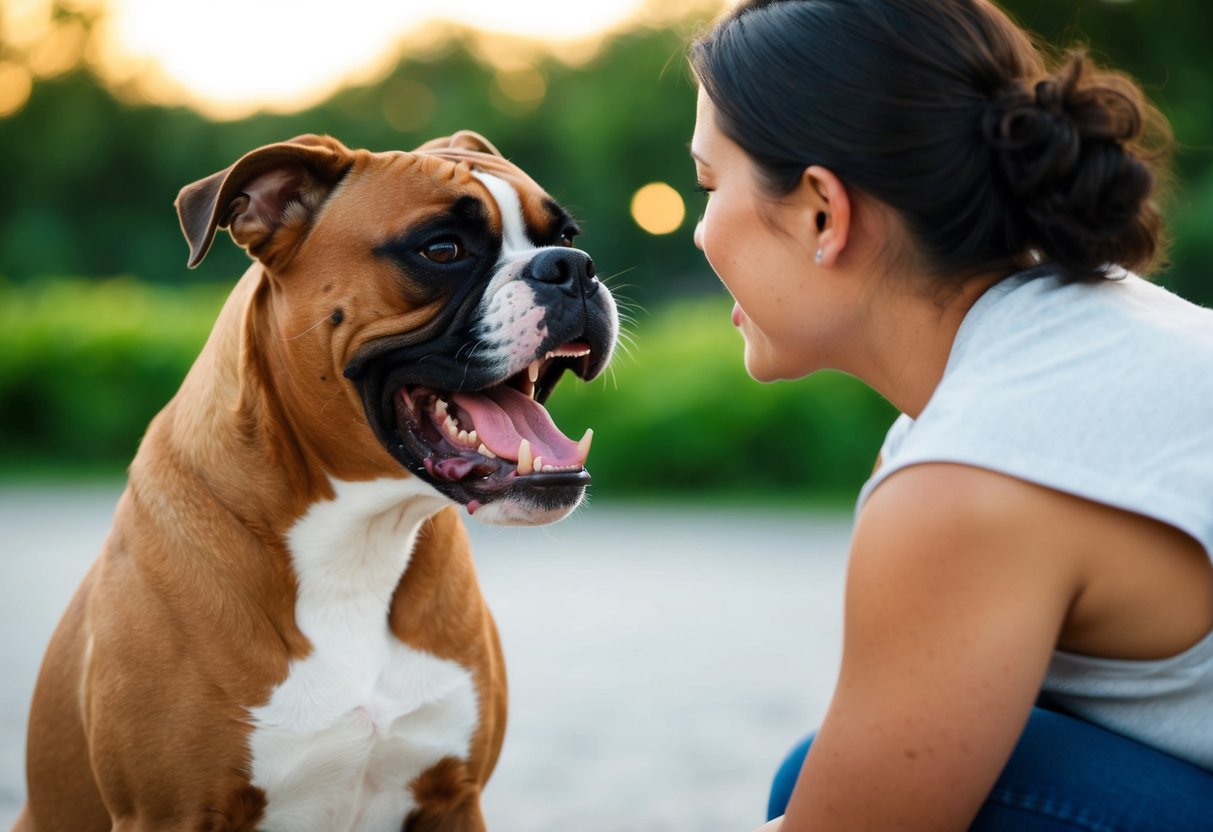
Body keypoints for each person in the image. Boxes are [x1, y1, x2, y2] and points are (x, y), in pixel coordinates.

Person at [687, 1, 1213, 829]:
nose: (698, 230)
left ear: (821, 211)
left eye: (710, 183)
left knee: (984, 788)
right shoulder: (1095, 329)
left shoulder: (966, 475)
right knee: (830, 765)